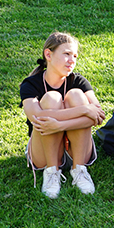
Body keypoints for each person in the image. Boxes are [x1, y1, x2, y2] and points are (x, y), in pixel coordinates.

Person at [19, 32, 105, 199]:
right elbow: (37, 116)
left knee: (76, 95)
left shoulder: (79, 81)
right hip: (43, 153)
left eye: (75, 56)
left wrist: (60, 125)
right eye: (66, 54)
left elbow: (98, 116)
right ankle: (52, 172)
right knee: (52, 98)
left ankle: (79, 169)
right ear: (48, 54)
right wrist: (83, 110)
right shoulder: (31, 84)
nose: (72, 60)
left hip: (77, 150)